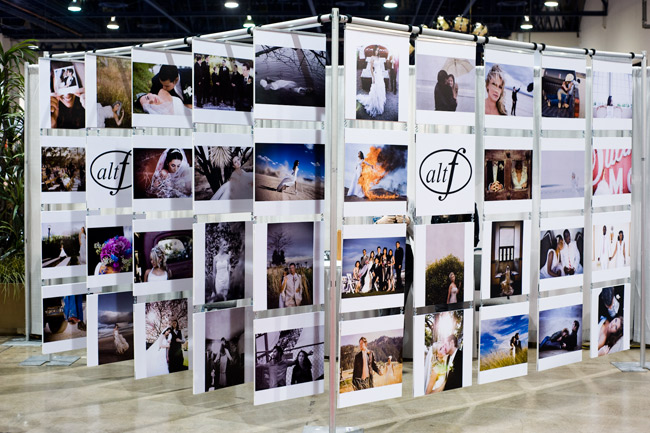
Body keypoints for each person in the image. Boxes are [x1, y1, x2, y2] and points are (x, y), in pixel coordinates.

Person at [356, 46, 387, 118]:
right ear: (374, 51)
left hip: (380, 74)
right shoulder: (372, 57)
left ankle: (379, 104)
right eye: (376, 50)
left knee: (381, 88)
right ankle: (374, 104)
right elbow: (371, 69)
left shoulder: (379, 57)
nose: (377, 52)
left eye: (378, 50)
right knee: (375, 88)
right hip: (375, 74)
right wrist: (373, 77)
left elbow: (380, 66)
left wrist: (381, 74)